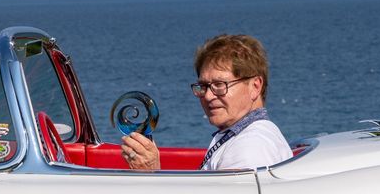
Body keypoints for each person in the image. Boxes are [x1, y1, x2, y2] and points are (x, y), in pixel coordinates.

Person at [121, 33, 292, 172]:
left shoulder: (249, 147)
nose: (208, 96)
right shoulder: (246, 135)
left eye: (220, 85)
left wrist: (152, 174)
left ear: (255, 86)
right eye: (203, 86)